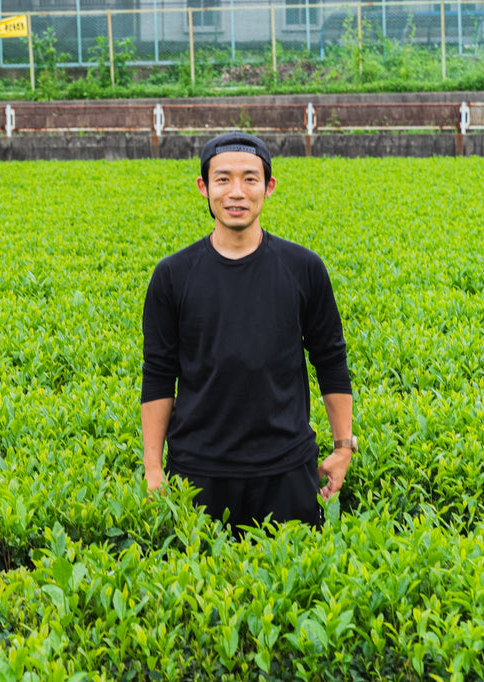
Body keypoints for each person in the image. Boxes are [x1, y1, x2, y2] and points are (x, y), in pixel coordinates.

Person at [140, 132, 356, 535]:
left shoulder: (303, 268)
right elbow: (157, 374)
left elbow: (330, 360)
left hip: (287, 470)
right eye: (222, 179)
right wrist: (153, 468)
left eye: (250, 179)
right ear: (204, 187)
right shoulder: (173, 276)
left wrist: (343, 447)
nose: (236, 192)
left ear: (269, 187)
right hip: (197, 472)